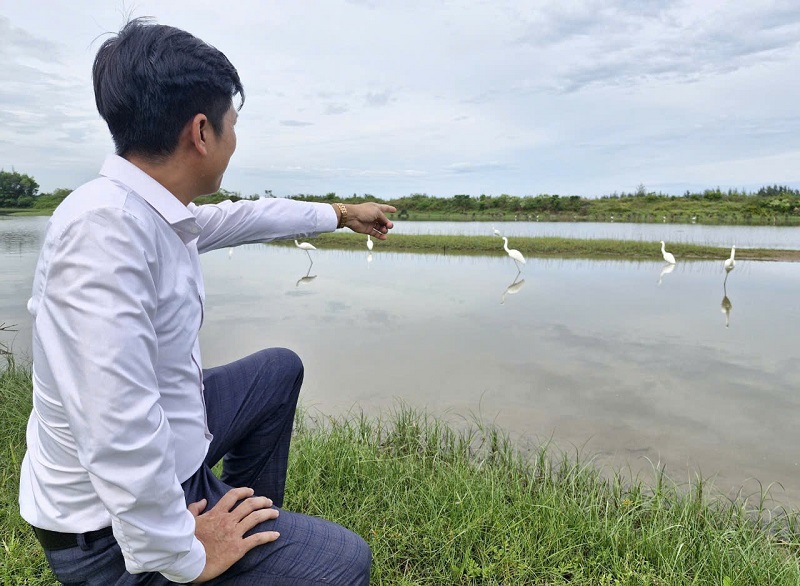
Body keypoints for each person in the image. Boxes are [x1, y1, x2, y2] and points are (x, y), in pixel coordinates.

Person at [18, 18, 395, 585]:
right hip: (105, 534)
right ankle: (221, 557)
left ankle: (246, 524)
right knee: (344, 563)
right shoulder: (104, 233)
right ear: (201, 131)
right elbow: (117, 432)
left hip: (174, 452)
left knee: (277, 370)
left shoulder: (153, 211)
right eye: (233, 125)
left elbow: (246, 216)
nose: (235, 140)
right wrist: (186, 557)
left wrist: (341, 215)